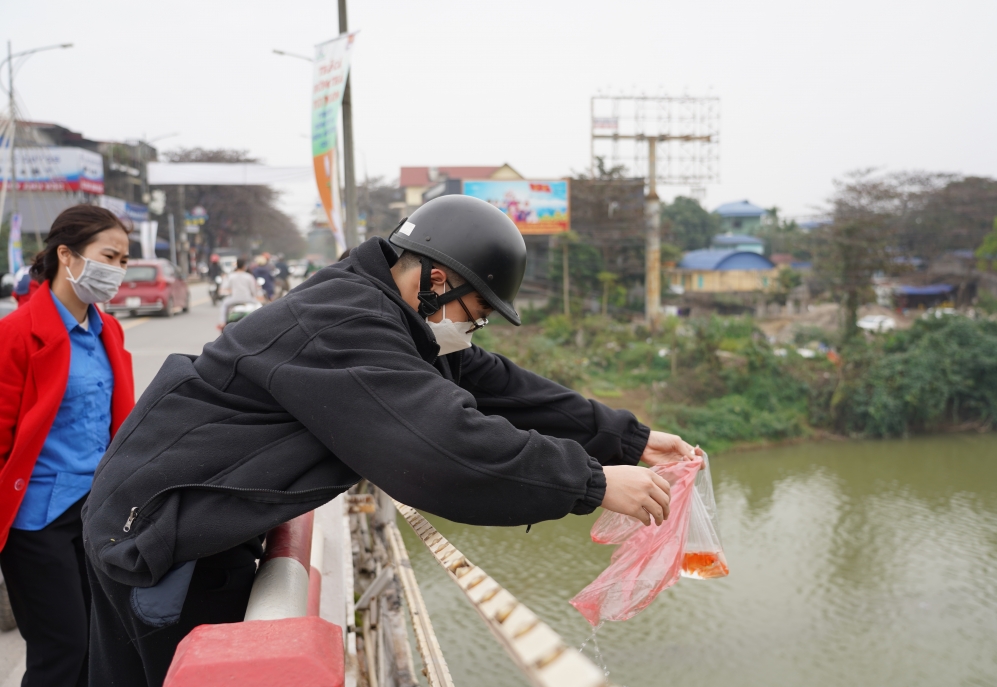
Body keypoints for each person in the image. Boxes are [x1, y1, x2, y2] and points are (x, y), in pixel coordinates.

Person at [82, 195, 701, 686]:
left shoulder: (384, 312)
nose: (474, 327)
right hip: (158, 533)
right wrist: (591, 482)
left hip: (196, 513)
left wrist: (631, 438)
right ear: (435, 278)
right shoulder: (346, 323)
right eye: (475, 309)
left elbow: (497, 385)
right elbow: (441, 450)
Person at [0, 205, 135, 687]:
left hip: (95, 514)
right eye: (109, 256)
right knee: (63, 648)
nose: (118, 270)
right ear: (66, 255)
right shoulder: (16, 335)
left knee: (98, 646)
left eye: (124, 260)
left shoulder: (109, 331)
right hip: (36, 519)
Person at [217, 257, 263, 330]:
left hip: (234, 299)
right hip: (248, 299)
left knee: (224, 304)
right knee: (259, 306)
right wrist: (256, 296)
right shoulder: (249, 276)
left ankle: (222, 323)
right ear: (244, 266)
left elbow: (224, 288)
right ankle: (262, 324)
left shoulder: (231, 276)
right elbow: (254, 290)